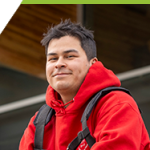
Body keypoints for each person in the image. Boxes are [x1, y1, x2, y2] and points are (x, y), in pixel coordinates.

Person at [19, 19, 150, 150]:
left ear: (93, 63)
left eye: (69, 56)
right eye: (53, 58)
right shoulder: (39, 123)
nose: (59, 64)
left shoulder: (117, 105)